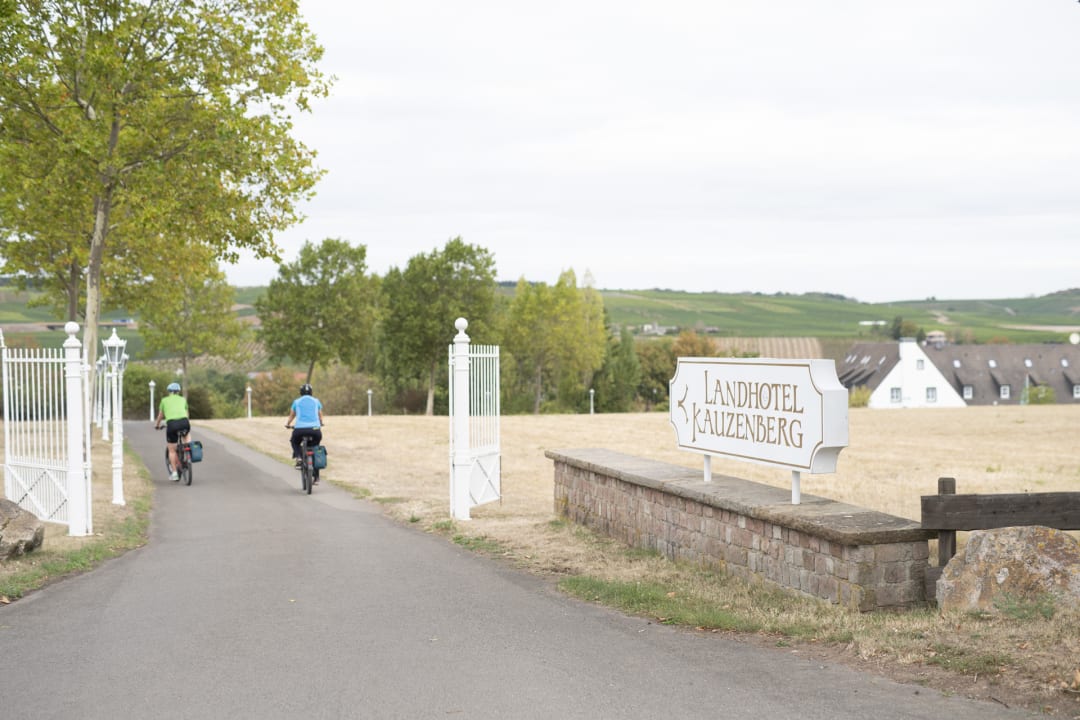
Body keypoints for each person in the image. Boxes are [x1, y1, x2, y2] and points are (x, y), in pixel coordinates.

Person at [286, 383, 324, 482]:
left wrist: (288, 424)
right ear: (311, 392)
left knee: (294, 441)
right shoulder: (316, 401)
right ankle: (316, 477)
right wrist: (321, 423)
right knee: (315, 449)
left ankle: (298, 457)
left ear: (301, 392)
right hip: (315, 430)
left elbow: (292, 415)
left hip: (300, 430)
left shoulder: (296, 402)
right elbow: (320, 415)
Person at [155, 382, 191, 482]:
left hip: (172, 425)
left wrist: (157, 425)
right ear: (178, 391)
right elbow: (187, 414)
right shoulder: (183, 399)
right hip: (184, 423)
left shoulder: (164, 400)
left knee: (172, 450)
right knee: (187, 434)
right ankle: (188, 449)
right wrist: (185, 423)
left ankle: (174, 473)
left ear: (169, 392)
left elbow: (160, 416)